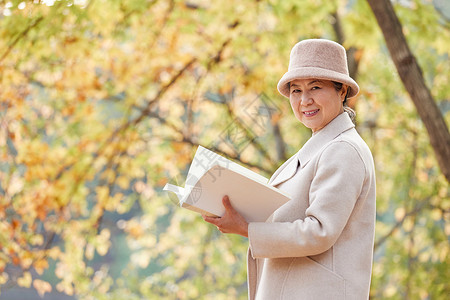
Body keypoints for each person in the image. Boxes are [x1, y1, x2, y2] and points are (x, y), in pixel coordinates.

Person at [203, 39, 376, 299]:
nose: (305, 100)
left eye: (315, 87)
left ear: (342, 92)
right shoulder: (320, 147)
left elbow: (319, 231)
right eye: (296, 91)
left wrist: (247, 229)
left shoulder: (343, 150)